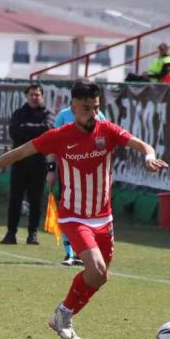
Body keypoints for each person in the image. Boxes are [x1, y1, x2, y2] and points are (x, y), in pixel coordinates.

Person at [0, 79, 169, 339]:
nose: (92, 114)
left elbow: (142, 145)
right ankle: (64, 315)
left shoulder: (107, 130)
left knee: (100, 276)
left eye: (95, 107)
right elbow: (20, 152)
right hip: (74, 216)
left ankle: (62, 314)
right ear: (73, 107)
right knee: (95, 268)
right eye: (86, 108)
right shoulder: (59, 136)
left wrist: (148, 157)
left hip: (103, 217)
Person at [52, 102, 106, 265]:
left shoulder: (100, 117)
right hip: (68, 172)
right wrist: (51, 169)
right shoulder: (63, 115)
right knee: (68, 211)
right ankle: (69, 253)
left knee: (88, 214)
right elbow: (53, 142)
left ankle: (83, 252)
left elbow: (103, 143)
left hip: (90, 175)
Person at [2, 83, 53, 245]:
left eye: (37, 94)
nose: (34, 97)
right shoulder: (19, 113)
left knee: (36, 200)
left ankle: (33, 234)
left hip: (39, 163)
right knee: (15, 199)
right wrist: (36, 132)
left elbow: (48, 131)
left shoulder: (47, 114)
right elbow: (14, 132)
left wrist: (27, 129)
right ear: (27, 96)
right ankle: (11, 233)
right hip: (19, 162)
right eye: (31, 94)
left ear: (42, 96)